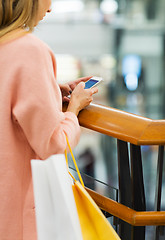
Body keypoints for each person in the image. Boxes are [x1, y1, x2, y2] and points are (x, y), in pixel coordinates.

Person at [0, 0, 98, 239]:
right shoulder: (30, 50)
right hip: (20, 215)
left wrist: (51, 89)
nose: (51, 7)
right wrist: (73, 109)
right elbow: (54, 143)